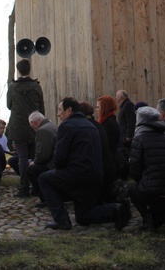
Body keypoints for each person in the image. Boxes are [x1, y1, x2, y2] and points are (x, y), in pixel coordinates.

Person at [38, 97, 131, 231]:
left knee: (44, 179)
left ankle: (61, 220)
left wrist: (61, 171)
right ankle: (116, 209)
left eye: (60, 110)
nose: (58, 114)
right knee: (83, 217)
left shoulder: (66, 126)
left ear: (69, 110)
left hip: (77, 175)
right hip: (96, 175)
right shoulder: (92, 125)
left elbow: (60, 157)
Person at [128, 106, 165, 232]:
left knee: (131, 187)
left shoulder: (139, 138)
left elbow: (135, 169)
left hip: (150, 191)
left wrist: (142, 180)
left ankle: (148, 218)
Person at [6, 59, 45, 197]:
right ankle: (36, 187)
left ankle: (23, 188)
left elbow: (9, 105)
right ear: (29, 70)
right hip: (34, 124)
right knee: (35, 157)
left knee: (22, 158)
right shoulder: (36, 86)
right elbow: (41, 106)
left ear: (18, 70)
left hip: (18, 126)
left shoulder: (13, 87)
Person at [26, 111, 57, 207]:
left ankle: (45, 198)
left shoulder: (43, 130)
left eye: (32, 126)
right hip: (57, 161)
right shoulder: (53, 126)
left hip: (52, 164)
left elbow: (42, 155)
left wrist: (34, 162)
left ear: (34, 123)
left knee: (31, 170)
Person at [96, 95, 121, 177]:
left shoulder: (108, 125)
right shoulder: (108, 122)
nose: (96, 110)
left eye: (98, 107)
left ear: (104, 108)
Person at [116, 89, 136, 179]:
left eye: (117, 95)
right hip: (123, 136)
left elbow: (130, 122)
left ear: (120, 97)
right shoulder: (123, 106)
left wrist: (129, 136)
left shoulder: (128, 105)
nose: (116, 97)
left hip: (126, 137)